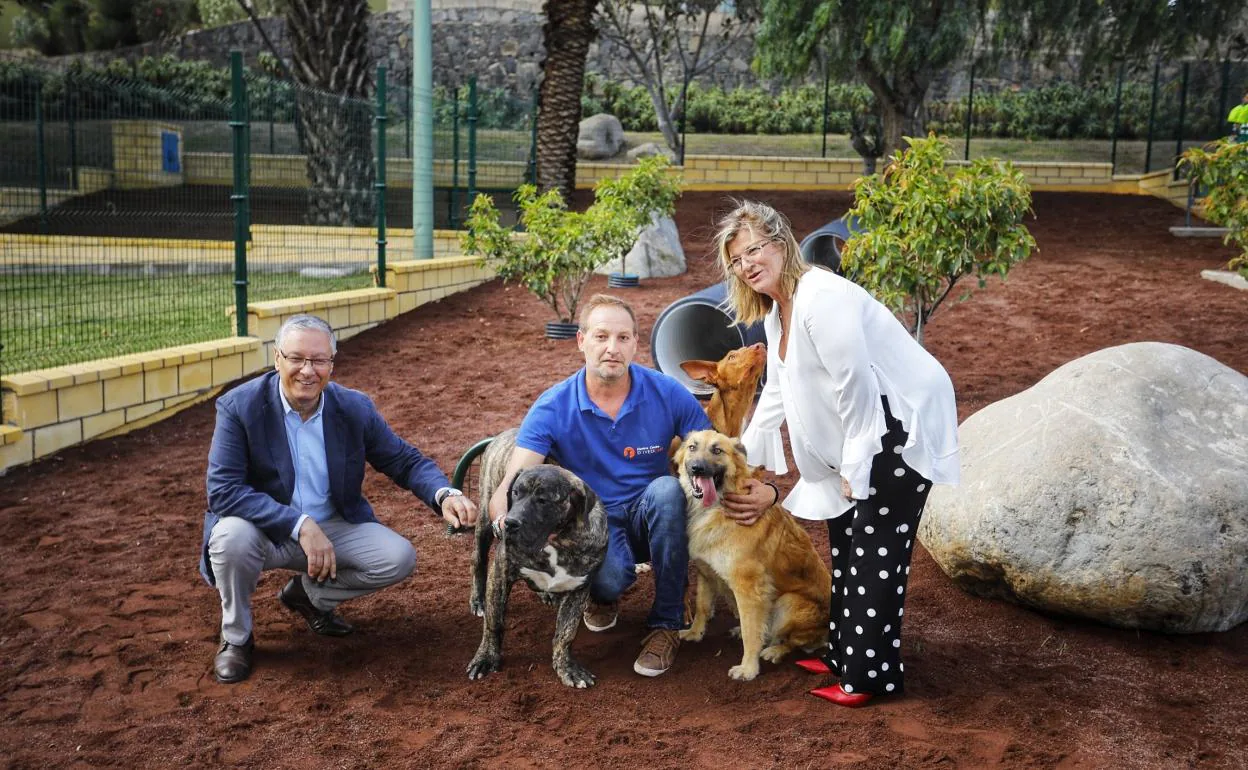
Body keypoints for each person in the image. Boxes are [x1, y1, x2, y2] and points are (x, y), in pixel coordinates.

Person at [713, 201, 960, 707]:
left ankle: (871, 678)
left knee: (876, 554)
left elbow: (856, 387)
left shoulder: (821, 298)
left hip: (893, 432)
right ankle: (845, 652)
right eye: (737, 260)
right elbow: (776, 396)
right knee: (847, 546)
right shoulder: (777, 316)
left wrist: (857, 463)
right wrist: (747, 464)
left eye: (755, 250)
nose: (748, 264)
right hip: (859, 436)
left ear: (782, 243)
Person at [487, 294, 774, 677]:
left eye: (623, 338)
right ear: (581, 341)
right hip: (594, 524)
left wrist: (769, 492)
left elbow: (718, 451)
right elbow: (514, 480)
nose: (612, 348)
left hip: (652, 515)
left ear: (635, 344)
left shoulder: (665, 392)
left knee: (668, 491)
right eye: (601, 336)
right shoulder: (553, 405)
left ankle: (667, 624)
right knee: (610, 580)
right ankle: (601, 595)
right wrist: (503, 520)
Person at [199, 314, 478, 684]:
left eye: (319, 360)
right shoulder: (240, 407)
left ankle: (308, 596)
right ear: (277, 358)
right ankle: (236, 638)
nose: (307, 371)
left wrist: (444, 493)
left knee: (397, 557)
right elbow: (223, 490)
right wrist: (298, 524)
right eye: (296, 358)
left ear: (332, 363)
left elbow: (401, 459)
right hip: (263, 528)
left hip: (332, 524)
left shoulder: (352, 407)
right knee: (229, 538)